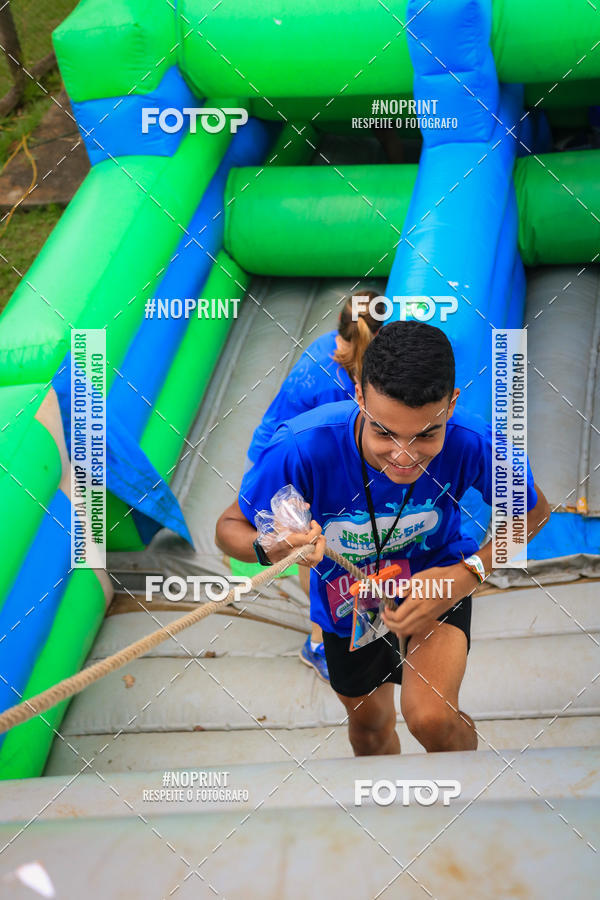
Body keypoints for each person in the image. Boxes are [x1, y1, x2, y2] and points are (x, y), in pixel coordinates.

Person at [216, 321, 549, 755]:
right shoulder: (302, 447)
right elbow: (228, 529)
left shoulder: (473, 443)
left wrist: (469, 574)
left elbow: (534, 513)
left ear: (452, 405)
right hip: (346, 603)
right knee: (369, 731)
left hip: (436, 583)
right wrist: (269, 547)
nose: (404, 456)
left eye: (426, 435)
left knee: (432, 719)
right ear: (359, 397)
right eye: (384, 433)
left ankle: (469, 804)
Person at [245, 289, 382, 683]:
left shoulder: (341, 351)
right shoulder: (334, 384)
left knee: (321, 544)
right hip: (286, 467)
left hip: (287, 455)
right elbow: (328, 442)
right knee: (311, 549)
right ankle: (319, 640)